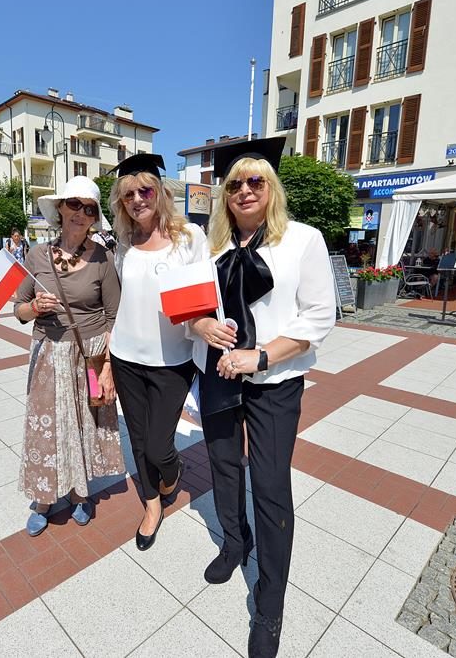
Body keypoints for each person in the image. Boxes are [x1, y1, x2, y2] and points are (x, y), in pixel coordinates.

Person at [188, 137, 336, 657]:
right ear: (224, 195)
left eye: (256, 181)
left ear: (271, 188)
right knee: (224, 468)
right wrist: (202, 326)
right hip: (218, 374)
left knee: (270, 486)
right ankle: (235, 541)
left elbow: (320, 317)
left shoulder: (302, 240)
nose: (245, 191)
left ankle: (270, 602)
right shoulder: (209, 247)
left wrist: (262, 356)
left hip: (275, 381)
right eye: (235, 184)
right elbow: (189, 309)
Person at [13, 176, 124, 537]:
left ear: (94, 217)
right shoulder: (37, 255)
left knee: (85, 424)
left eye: (89, 208)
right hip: (48, 352)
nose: (80, 213)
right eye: (73, 204)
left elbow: (114, 315)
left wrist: (108, 367)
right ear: (60, 208)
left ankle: (80, 493)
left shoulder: (103, 258)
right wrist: (34, 307)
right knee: (46, 427)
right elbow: (18, 309)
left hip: (90, 352)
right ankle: (44, 496)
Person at [106, 153, 207, 551]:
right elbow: (117, 301)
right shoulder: (122, 244)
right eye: (128, 194)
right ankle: (151, 506)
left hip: (173, 360)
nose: (137, 200)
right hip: (126, 357)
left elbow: (203, 300)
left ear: (160, 192)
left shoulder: (189, 238)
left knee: (159, 445)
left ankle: (171, 472)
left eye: (145, 191)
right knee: (138, 439)